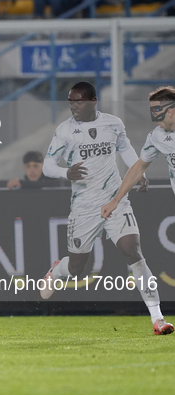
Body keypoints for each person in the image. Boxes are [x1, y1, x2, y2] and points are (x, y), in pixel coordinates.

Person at [40, 81, 173, 335]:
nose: (73, 107)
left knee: (132, 251)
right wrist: (65, 172)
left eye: (78, 102)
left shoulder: (113, 124)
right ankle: (57, 271)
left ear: (92, 102)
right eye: (70, 102)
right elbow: (47, 165)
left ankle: (157, 318)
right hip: (84, 207)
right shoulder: (65, 131)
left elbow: (125, 149)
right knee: (78, 268)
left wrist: (138, 173)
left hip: (115, 199)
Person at [101, 86, 175, 335]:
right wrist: (115, 200)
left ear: (172, 112)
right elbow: (138, 167)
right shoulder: (157, 136)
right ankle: (158, 319)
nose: (154, 117)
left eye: (158, 111)